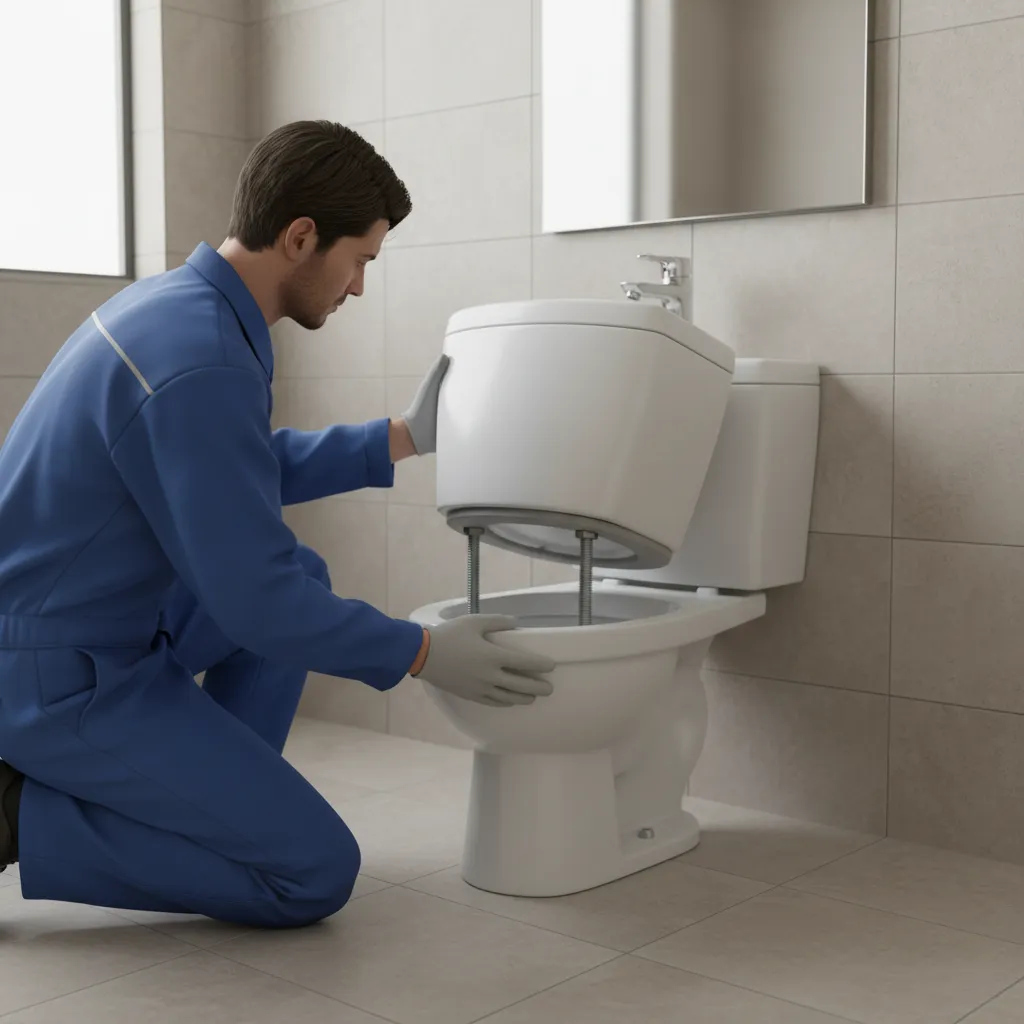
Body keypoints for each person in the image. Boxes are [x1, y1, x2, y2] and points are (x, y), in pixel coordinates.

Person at [0, 120, 555, 928]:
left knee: (305, 574)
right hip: (55, 676)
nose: (358, 286)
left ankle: (215, 809)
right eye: (359, 259)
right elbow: (253, 603)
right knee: (311, 872)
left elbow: (225, 467)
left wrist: (399, 437)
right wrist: (422, 653)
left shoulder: (179, 307)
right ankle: (15, 814)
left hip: (72, 623)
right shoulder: (204, 357)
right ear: (302, 237)